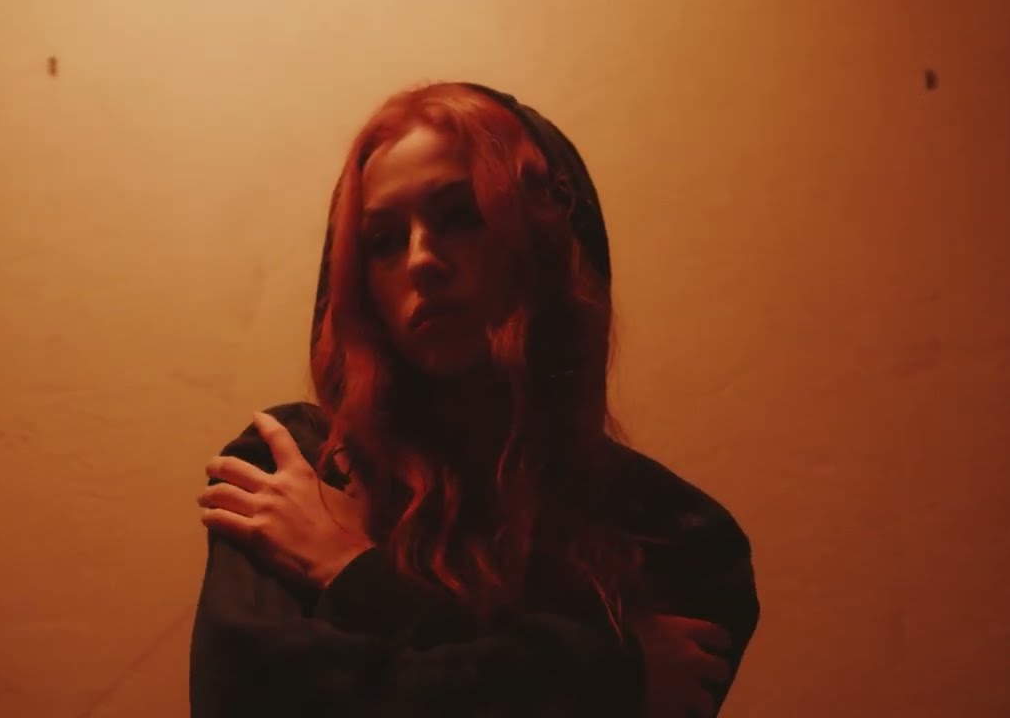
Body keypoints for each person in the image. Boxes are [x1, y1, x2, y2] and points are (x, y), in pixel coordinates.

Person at [189, 82, 760, 717]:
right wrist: (599, 672)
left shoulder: (678, 536)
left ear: (545, 240)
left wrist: (356, 575)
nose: (420, 260)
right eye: (383, 240)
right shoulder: (297, 466)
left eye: (461, 216)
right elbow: (253, 701)